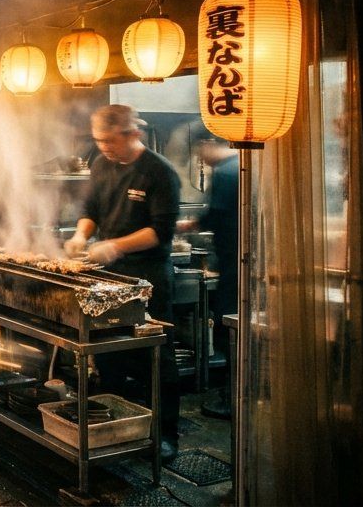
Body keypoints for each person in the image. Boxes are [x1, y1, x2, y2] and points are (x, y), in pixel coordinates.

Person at [65, 104, 182, 463]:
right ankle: (118, 429)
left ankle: (164, 436)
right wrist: (80, 236)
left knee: (154, 358)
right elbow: (91, 211)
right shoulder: (102, 165)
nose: (103, 148)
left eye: (109, 141)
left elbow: (160, 231)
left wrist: (115, 246)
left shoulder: (159, 173)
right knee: (110, 357)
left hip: (148, 277)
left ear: (133, 134)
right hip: (109, 278)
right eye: (98, 141)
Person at [188, 136, 238, 419]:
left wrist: (191, 223)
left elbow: (216, 216)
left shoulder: (227, 173)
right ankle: (237, 393)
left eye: (201, 152)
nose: (202, 159)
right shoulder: (238, 167)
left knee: (226, 327)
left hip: (233, 264)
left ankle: (231, 397)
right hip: (242, 262)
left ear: (210, 145)